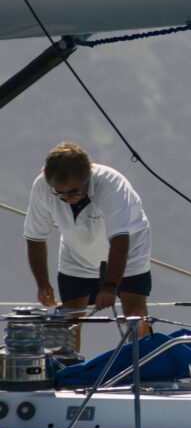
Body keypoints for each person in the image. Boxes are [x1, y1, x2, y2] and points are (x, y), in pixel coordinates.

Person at [24, 142, 153, 349]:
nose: (67, 198)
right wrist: (42, 282)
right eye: (60, 193)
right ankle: (69, 373)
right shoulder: (42, 187)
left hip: (129, 249)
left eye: (74, 192)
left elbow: (119, 241)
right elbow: (35, 237)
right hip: (76, 251)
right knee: (70, 316)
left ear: (88, 178)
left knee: (135, 314)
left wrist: (110, 287)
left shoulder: (111, 185)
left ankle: (142, 367)